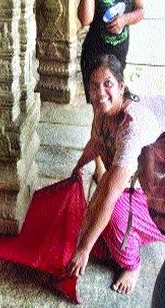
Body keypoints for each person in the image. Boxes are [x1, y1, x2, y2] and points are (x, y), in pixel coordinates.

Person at [66, 54, 165, 295]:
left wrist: (83, 249)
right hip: (136, 181)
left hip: (157, 190)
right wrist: (78, 167)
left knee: (112, 215)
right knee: (98, 208)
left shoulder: (131, 128)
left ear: (121, 86)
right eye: (94, 85)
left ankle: (133, 264)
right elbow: (97, 142)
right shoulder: (103, 108)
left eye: (108, 84)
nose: (100, 92)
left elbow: (110, 194)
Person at [78, 0, 144, 182]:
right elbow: (85, 19)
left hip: (117, 59)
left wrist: (124, 20)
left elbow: (140, 11)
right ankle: (99, 165)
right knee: (99, 111)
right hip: (95, 59)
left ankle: (116, 158)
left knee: (116, 107)